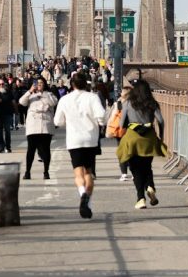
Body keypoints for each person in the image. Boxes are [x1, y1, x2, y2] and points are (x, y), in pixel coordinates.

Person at [53, 72, 106, 219]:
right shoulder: (93, 97)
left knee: (78, 172)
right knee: (88, 172)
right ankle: (87, 201)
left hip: (74, 140)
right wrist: (101, 123)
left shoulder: (65, 99)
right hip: (90, 139)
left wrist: (67, 122)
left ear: (72, 84)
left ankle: (82, 193)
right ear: (86, 83)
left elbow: (57, 122)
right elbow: (101, 116)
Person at [116, 80, 167, 209]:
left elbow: (121, 124)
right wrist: (161, 135)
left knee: (135, 169)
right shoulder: (152, 103)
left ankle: (141, 198)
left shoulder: (128, 103)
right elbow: (160, 120)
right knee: (147, 165)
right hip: (149, 137)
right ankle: (150, 186)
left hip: (133, 137)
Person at [18, 77, 57, 180]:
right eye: (37, 83)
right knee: (31, 149)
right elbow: (21, 102)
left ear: (44, 84)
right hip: (33, 125)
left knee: (46, 149)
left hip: (45, 124)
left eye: (41, 82)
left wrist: (43, 93)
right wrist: (30, 91)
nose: (39, 84)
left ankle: (46, 171)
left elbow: (53, 102)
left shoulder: (49, 94)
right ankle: (27, 172)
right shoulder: (31, 95)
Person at [106, 85, 132, 181]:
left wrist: (108, 127)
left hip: (120, 129)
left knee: (121, 151)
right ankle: (134, 172)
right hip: (132, 129)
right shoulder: (134, 103)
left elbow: (111, 115)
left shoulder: (119, 103)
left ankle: (124, 173)